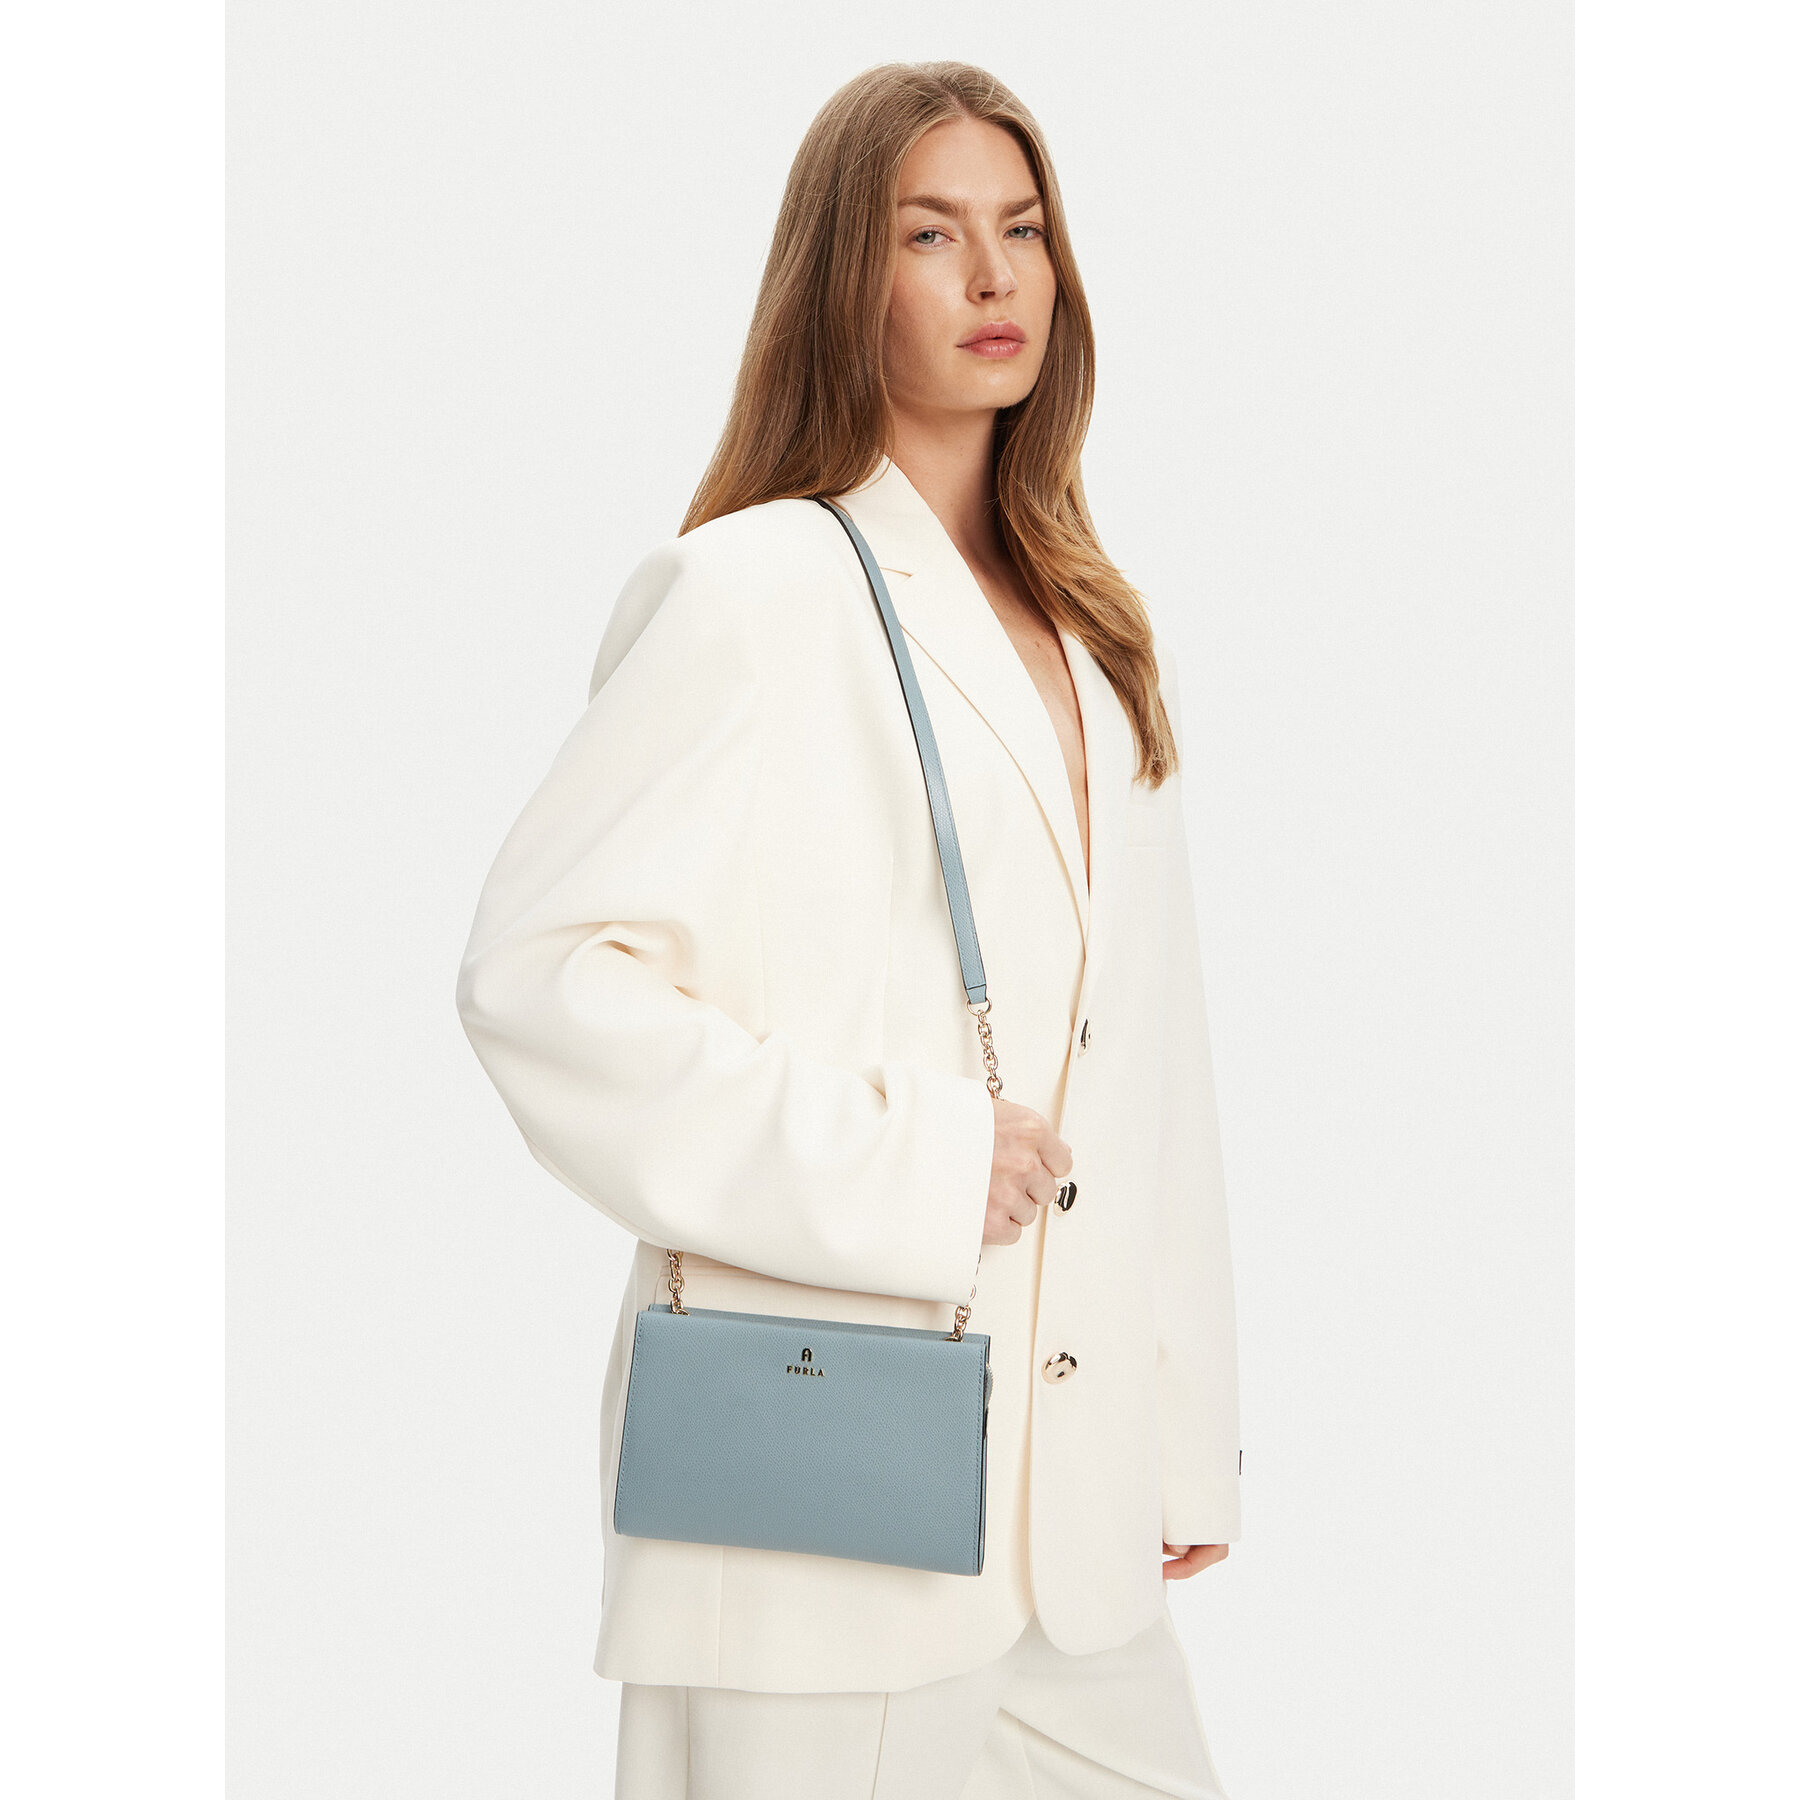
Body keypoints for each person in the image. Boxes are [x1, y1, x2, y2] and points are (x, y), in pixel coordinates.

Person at [456, 59, 1242, 1800]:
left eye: (1024, 228)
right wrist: (912, 1162)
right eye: (931, 234)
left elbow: (1149, 1058)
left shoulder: (1099, 638)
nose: (996, 275)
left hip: (1069, 1518)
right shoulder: (749, 593)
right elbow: (539, 981)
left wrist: (1181, 1424)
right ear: (843, 277)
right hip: (825, 1504)